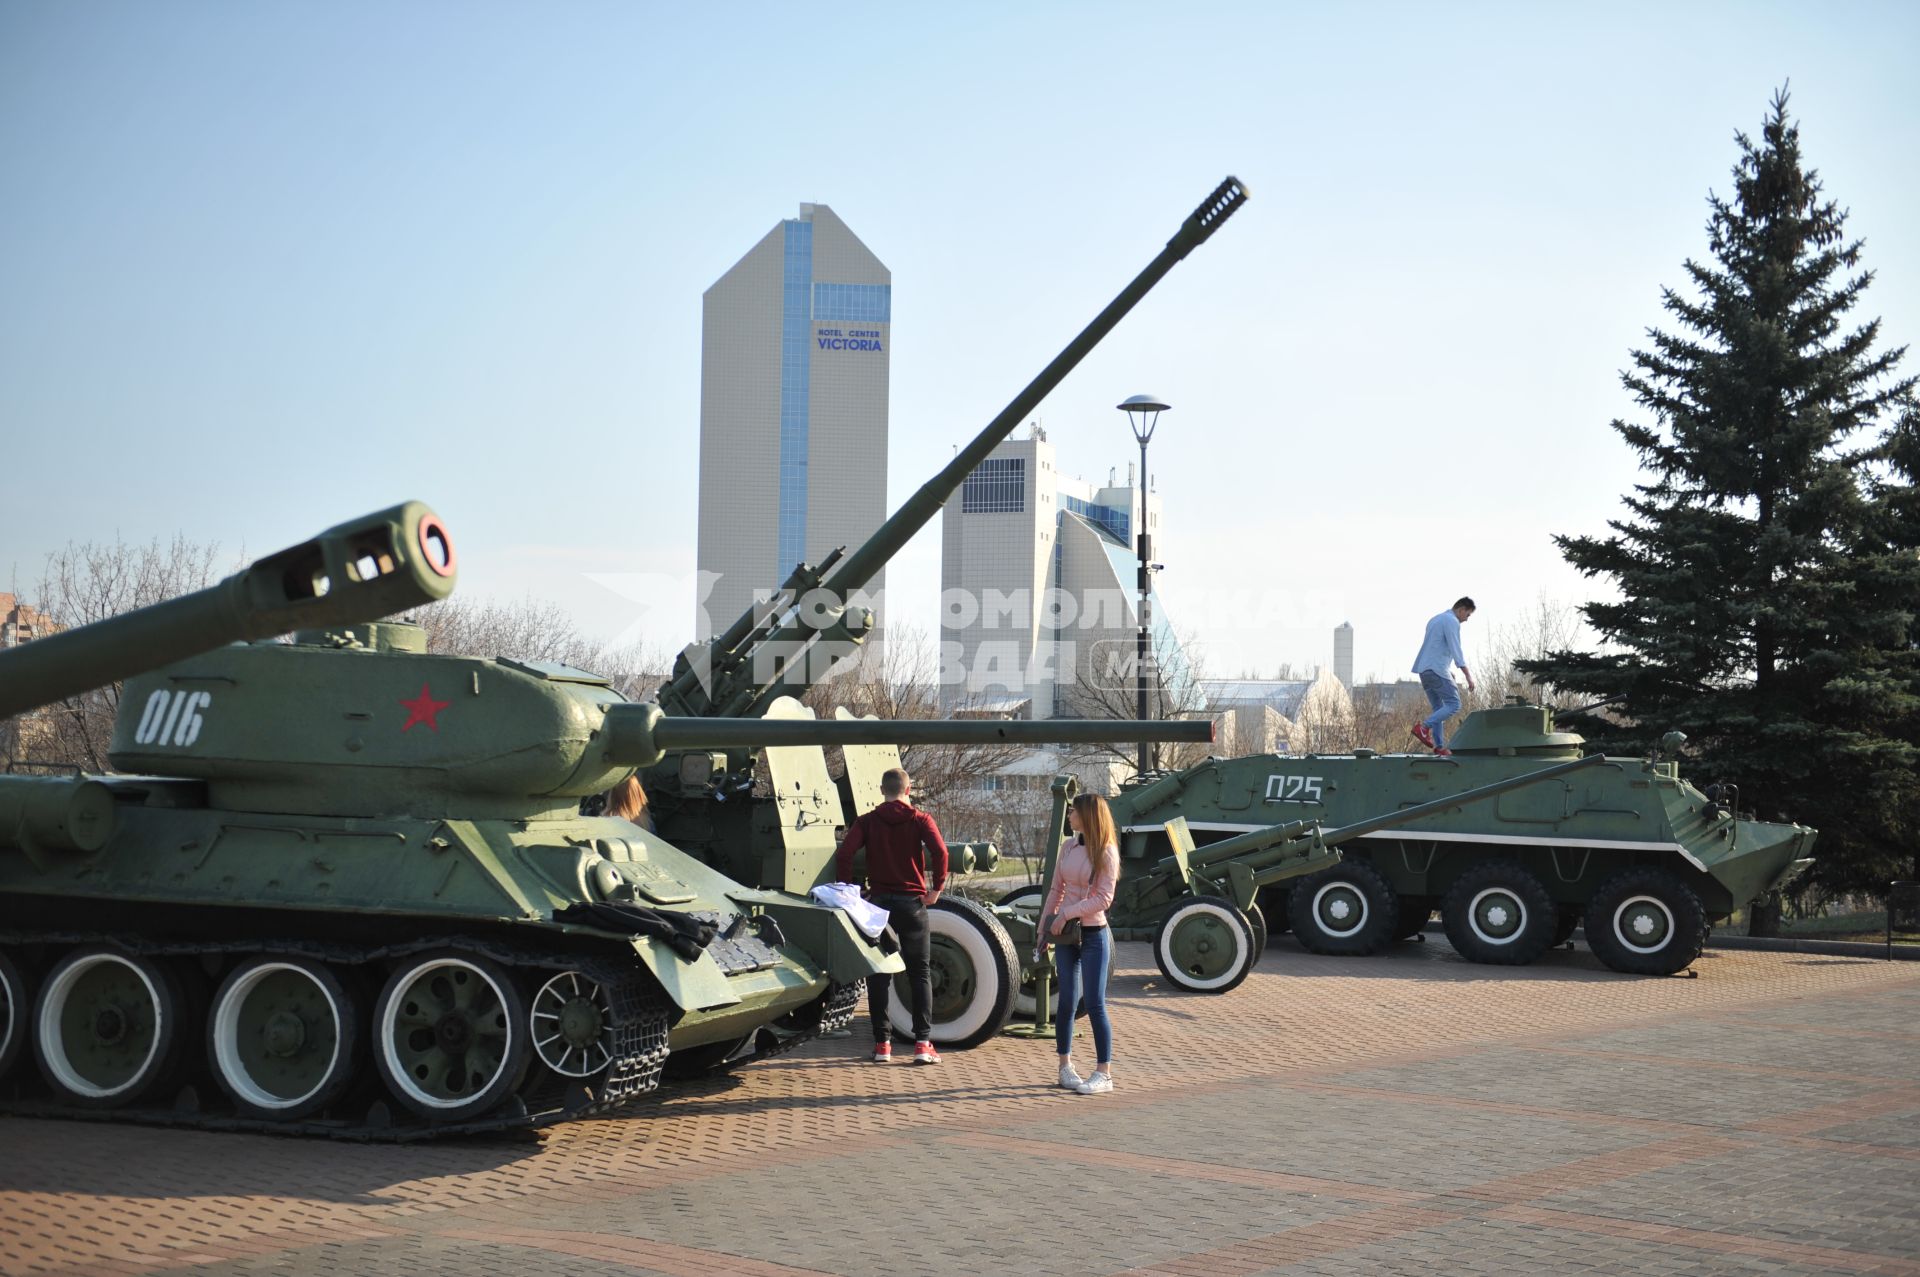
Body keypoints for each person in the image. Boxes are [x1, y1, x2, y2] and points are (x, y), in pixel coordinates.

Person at [834, 767, 949, 1065]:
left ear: (882, 790)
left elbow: (845, 853)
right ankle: (923, 1045)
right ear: (908, 790)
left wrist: (851, 890)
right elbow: (941, 852)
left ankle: (882, 1045)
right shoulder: (921, 819)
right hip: (912, 904)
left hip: (878, 905)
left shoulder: (868, 821)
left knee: (879, 975)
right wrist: (936, 888)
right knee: (920, 974)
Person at [1040, 792, 1119, 1096]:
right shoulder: (1069, 846)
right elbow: (1056, 889)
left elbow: (1104, 899)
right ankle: (1064, 1066)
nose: (1069, 815)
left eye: (1073, 812)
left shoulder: (1107, 852)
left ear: (1088, 817)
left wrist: (1067, 914)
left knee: (1095, 1003)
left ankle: (1104, 1073)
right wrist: (1045, 926)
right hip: (1064, 934)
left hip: (1092, 934)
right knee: (1067, 1001)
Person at [1411, 597, 1476, 756]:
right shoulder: (1451, 621)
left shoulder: (1435, 619)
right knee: (1454, 704)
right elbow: (1456, 649)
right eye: (1467, 615)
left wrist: (1448, 671)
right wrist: (1467, 675)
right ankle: (1424, 728)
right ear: (1461, 610)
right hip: (1436, 669)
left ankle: (1439, 746)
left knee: (1439, 708)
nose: (1466, 620)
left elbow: (1435, 647)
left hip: (1424, 670)